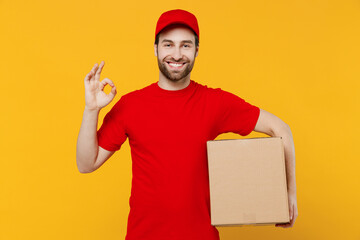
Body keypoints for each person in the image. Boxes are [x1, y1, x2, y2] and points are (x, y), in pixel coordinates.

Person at [76, 9, 298, 240]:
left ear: (196, 50)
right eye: (168, 45)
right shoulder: (131, 105)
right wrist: (91, 109)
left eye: (186, 45)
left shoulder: (216, 103)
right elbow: (86, 163)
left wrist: (289, 194)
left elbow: (281, 129)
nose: (177, 54)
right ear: (156, 49)